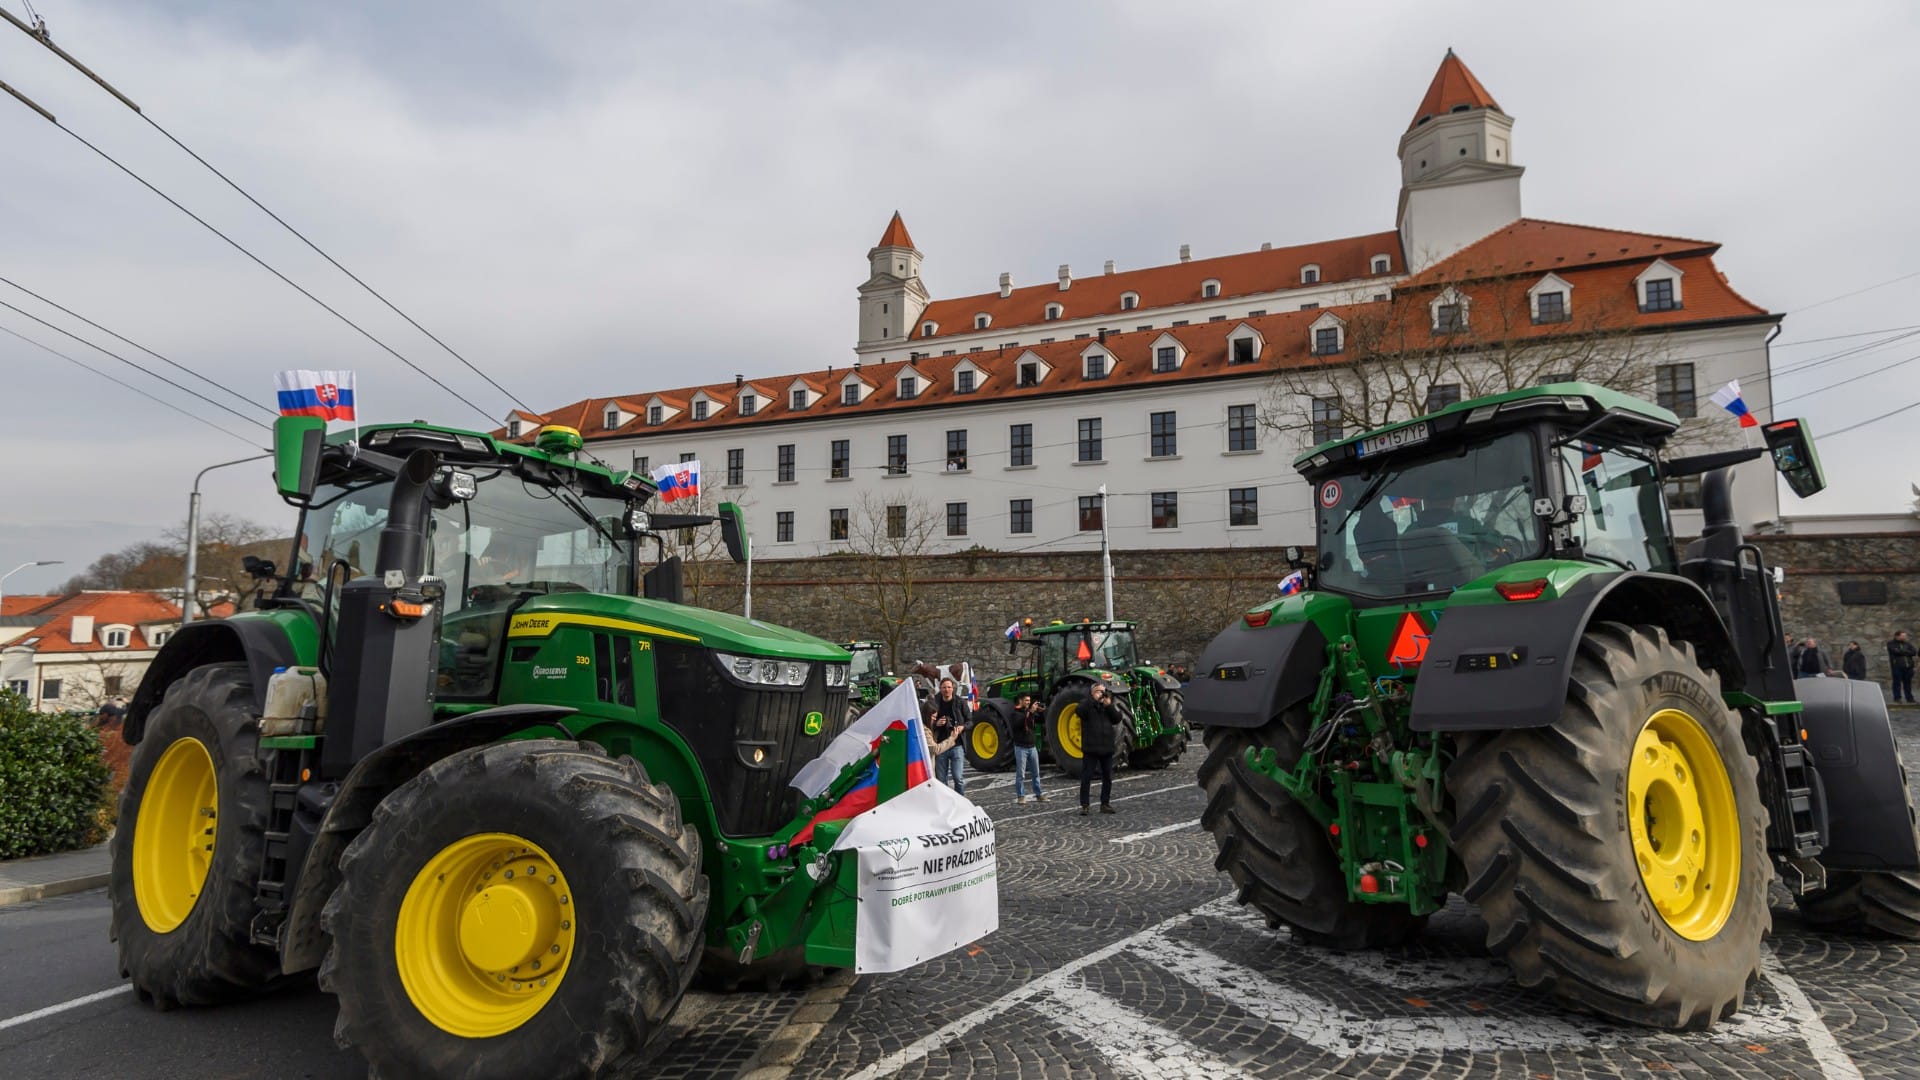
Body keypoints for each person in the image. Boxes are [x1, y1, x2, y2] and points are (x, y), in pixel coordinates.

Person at [1078, 682, 1122, 815]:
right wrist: (1093, 700)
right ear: (1092, 693)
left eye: (1103, 691)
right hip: (1091, 748)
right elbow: (1079, 711)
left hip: (1106, 748)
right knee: (1087, 776)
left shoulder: (1107, 707)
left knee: (1107, 777)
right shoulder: (1086, 705)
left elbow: (1117, 719)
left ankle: (1105, 803)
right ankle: (1085, 805)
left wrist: (1109, 706)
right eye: (1098, 691)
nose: (1101, 694)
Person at [928, 677, 970, 795]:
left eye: (949, 687)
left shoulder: (960, 702)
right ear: (940, 689)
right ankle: (946, 804)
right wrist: (936, 724)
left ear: (953, 688)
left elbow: (970, 721)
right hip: (941, 745)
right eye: (944, 687)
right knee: (941, 780)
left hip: (957, 744)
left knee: (958, 778)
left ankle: (961, 802)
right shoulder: (934, 702)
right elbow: (926, 722)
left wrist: (962, 727)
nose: (947, 690)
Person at [1009, 693, 1046, 804]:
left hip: (1032, 747)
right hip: (1021, 748)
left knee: (1036, 773)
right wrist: (1030, 712)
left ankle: (1038, 794)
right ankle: (1021, 796)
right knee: (1021, 774)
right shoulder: (1015, 713)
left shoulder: (1029, 713)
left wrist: (1040, 711)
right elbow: (1020, 723)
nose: (1028, 702)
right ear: (1020, 701)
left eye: (1029, 700)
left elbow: (1039, 721)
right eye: (1026, 700)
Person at [1889, 631, 1917, 704]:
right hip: (1897, 666)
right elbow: (1895, 651)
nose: (1905, 637)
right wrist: (1907, 652)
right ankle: (1897, 698)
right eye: (1903, 636)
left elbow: (1914, 652)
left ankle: (1909, 698)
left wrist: (1903, 651)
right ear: (1897, 636)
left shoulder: (1907, 643)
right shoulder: (1891, 643)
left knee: (1908, 683)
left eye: (1905, 636)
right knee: (1897, 683)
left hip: (1908, 667)